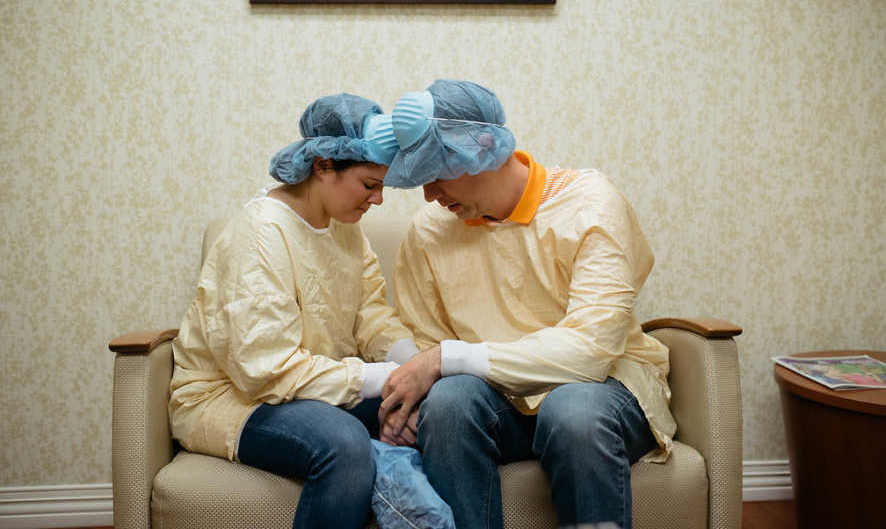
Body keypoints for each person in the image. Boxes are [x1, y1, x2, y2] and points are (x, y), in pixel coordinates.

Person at [377, 79, 677, 529]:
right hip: (499, 404)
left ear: (482, 149)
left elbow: (590, 353)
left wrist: (445, 358)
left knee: (570, 409)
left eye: (435, 173)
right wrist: (415, 404)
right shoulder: (429, 231)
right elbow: (428, 348)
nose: (429, 194)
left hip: (602, 390)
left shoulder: (590, 204)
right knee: (449, 402)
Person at [168, 93, 421, 529]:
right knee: (342, 444)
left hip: (311, 388)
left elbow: (371, 317)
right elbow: (265, 369)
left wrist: (414, 369)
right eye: (369, 185)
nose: (378, 200)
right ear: (323, 165)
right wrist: (383, 378)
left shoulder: (345, 230)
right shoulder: (260, 234)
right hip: (233, 398)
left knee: (435, 412)